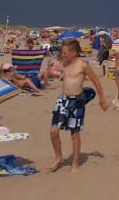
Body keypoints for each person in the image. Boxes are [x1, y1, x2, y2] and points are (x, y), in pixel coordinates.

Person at [47, 38, 109, 172]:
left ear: (74, 52)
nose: (62, 54)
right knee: (53, 131)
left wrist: (102, 100)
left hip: (77, 102)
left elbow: (96, 82)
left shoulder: (83, 65)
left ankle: (75, 163)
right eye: (62, 52)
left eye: (64, 52)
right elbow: (51, 70)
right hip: (63, 100)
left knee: (74, 134)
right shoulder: (63, 63)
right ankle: (58, 157)